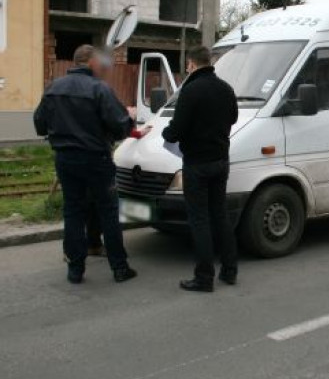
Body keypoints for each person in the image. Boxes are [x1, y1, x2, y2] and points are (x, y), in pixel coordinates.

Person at [33, 45, 138, 284]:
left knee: (73, 211)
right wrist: (129, 117)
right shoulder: (100, 89)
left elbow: (39, 124)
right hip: (96, 160)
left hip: (65, 159)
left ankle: (75, 269)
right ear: (90, 62)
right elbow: (121, 126)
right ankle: (119, 268)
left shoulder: (53, 88)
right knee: (108, 211)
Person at [162, 46, 238, 293]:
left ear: (192, 65)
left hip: (197, 164)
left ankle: (204, 278)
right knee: (220, 215)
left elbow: (177, 129)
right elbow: (234, 118)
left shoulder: (190, 90)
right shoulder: (226, 88)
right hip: (220, 161)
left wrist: (165, 132)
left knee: (200, 219)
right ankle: (229, 270)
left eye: (187, 66)